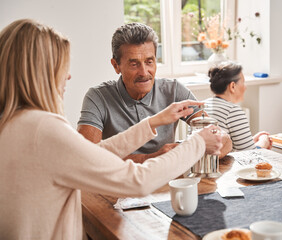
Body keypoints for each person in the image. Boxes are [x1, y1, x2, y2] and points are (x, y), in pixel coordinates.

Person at [0, 19, 222, 240]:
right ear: (41, 73)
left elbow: (93, 154)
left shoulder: (13, 123)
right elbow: (138, 181)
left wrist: (152, 123)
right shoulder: (45, 129)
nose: (68, 76)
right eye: (61, 67)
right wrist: (198, 143)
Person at [77, 22, 232, 162]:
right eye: (134, 64)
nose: (144, 72)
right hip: (117, 187)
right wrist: (150, 159)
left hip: (165, 184)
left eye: (149, 62)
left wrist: (200, 150)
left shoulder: (174, 90)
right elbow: (87, 158)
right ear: (116, 65)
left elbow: (223, 139)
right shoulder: (97, 98)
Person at [204, 61, 272, 151]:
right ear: (232, 86)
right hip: (225, 165)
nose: (245, 87)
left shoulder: (203, 106)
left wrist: (251, 140)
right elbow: (250, 154)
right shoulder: (233, 111)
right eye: (243, 83)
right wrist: (264, 142)